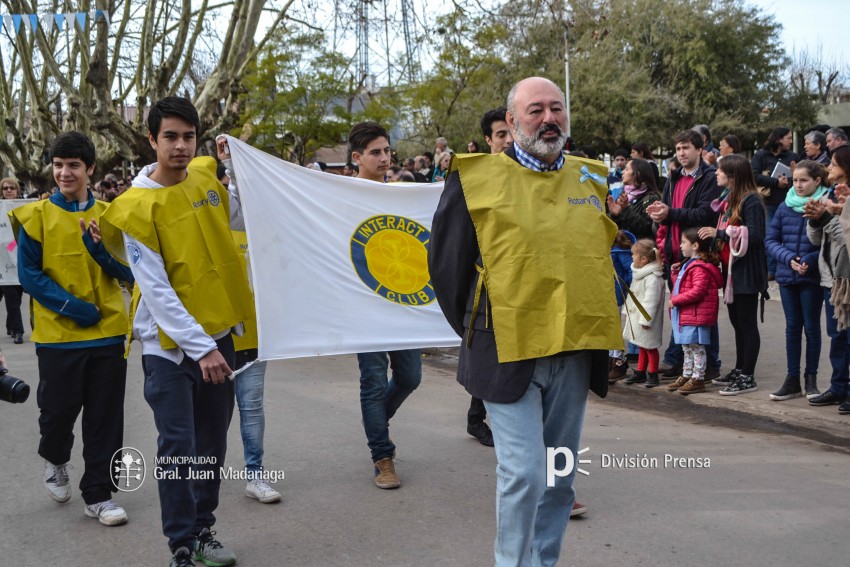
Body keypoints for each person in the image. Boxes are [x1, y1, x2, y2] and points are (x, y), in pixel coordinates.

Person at [429, 76, 620, 566]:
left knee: (559, 475)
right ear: (511, 123)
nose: (549, 119)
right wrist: (480, 329)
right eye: (535, 110)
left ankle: (543, 561)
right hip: (505, 353)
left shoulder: (590, 177)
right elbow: (447, 268)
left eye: (556, 109)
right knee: (525, 474)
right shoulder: (474, 178)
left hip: (573, 353)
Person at [98, 97, 254, 567]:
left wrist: (242, 173)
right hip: (169, 349)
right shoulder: (135, 207)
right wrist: (202, 347)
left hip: (219, 335)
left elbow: (241, 220)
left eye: (189, 137)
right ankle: (182, 546)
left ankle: (204, 530)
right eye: (170, 136)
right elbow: (157, 290)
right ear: (151, 140)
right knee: (179, 448)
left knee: (212, 444)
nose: (181, 146)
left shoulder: (207, 179)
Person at [10, 132, 133, 526]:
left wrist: (100, 252)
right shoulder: (34, 216)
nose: (64, 172)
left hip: (109, 332)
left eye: (73, 165)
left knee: (104, 417)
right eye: (59, 165)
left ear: (90, 169)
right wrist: (77, 309)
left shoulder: (114, 215)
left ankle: (98, 494)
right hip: (58, 337)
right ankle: (56, 459)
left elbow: (130, 273)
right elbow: (29, 276)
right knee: (57, 413)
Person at [347, 121, 422, 490]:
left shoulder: (401, 195)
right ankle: (383, 456)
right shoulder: (339, 194)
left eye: (387, 150)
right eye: (375, 152)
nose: (383, 157)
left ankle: (375, 419)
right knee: (373, 383)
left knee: (411, 377)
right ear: (357, 157)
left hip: (402, 303)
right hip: (364, 305)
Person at [217, 163, 282, 505]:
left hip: (256, 337)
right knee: (213, 415)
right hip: (215, 341)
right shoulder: (204, 230)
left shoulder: (261, 228)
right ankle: (203, 479)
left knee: (252, 407)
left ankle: (255, 476)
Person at [647, 129, 722, 380]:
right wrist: (659, 213)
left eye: (686, 148)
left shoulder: (709, 178)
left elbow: (706, 215)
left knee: (702, 311)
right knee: (680, 310)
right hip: (675, 251)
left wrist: (671, 213)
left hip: (698, 253)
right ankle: (680, 360)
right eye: (678, 149)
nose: (681, 153)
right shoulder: (674, 177)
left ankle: (709, 364)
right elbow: (668, 214)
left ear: (700, 149)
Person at [699, 154, 768, 395]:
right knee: (737, 323)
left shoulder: (751, 201)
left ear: (733, 175)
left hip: (746, 272)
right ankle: (740, 369)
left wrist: (721, 234)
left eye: (720, 171)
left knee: (747, 324)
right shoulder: (730, 199)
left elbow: (757, 236)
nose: (716, 174)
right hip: (732, 272)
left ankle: (748, 376)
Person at [765, 160, 826, 400]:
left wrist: (809, 260)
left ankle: (811, 380)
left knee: (811, 328)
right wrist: (789, 258)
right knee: (792, 329)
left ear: (817, 181)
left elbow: (829, 243)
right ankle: (792, 380)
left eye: (804, 180)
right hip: (787, 275)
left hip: (811, 276)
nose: (798, 185)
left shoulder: (824, 205)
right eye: (795, 180)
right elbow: (771, 240)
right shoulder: (784, 205)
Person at [806, 146, 850, 409]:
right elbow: (816, 240)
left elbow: (845, 239)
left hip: (846, 280)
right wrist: (815, 219)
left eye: (833, 164)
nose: (829, 168)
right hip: (831, 280)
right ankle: (838, 386)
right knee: (837, 337)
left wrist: (827, 216)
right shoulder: (831, 195)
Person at [667, 228, 723, 394]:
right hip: (688, 314)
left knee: (696, 348)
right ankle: (687, 374)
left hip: (696, 315)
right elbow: (683, 285)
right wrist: (676, 273)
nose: (681, 246)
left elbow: (697, 291)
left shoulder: (699, 267)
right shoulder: (689, 264)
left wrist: (676, 300)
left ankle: (698, 377)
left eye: (684, 242)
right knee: (687, 347)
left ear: (696, 245)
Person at [752, 126, 796, 279]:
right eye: (788, 138)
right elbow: (754, 176)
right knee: (770, 234)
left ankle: (785, 266)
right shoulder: (761, 156)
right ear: (778, 139)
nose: (790, 141)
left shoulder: (792, 156)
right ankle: (770, 269)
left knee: (788, 236)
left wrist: (792, 177)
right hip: (768, 202)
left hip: (789, 202)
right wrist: (775, 182)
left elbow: (802, 177)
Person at [621, 239, 665, 388]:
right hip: (637, 316)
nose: (632, 257)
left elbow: (651, 301)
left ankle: (652, 374)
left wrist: (646, 320)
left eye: (634, 255)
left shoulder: (653, 277)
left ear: (644, 259)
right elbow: (632, 293)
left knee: (650, 346)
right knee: (642, 345)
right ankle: (640, 371)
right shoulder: (640, 273)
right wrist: (627, 309)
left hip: (646, 319)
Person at [1, 177, 26, 343]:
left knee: (16, 295)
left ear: (17, 190)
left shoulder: (25, 207)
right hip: (3, 262)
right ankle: (18, 331)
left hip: (21, 259)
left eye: (12, 188)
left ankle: (11, 325)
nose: (9, 190)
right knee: (12, 297)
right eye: (5, 188)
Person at [608, 230, 635, 382]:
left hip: (616, 295)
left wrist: (630, 290)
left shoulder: (618, 250)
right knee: (608, 328)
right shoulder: (610, 249)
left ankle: (618, 361)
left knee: (614, 328)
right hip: (605, 294)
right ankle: (610, 360)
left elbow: (630, 270)